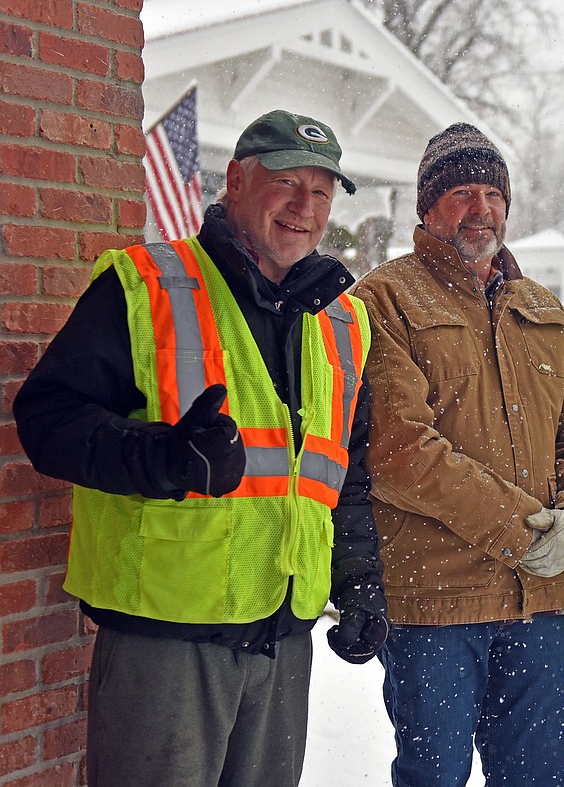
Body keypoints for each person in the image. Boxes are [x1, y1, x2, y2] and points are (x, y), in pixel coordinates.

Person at [13, 110, 389, 787]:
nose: (305, 206)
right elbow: (47, 419)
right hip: (166, 642)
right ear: (237, 181)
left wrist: (358, 577)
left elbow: (344, 471)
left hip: (281, 641)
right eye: (286, 182)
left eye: (322, 191)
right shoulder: (146, 284)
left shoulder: (344, 318)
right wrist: (161, 457)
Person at [351, 122, 564, 787]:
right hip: (435, 604)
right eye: (462, 192)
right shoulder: (382, 300)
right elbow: (399, 447)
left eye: (492, 193)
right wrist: (522, 528)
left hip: (539, 604)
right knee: (434, 775)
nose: (481, 208)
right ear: (426, 207)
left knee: (536, 778)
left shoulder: (543, 309)